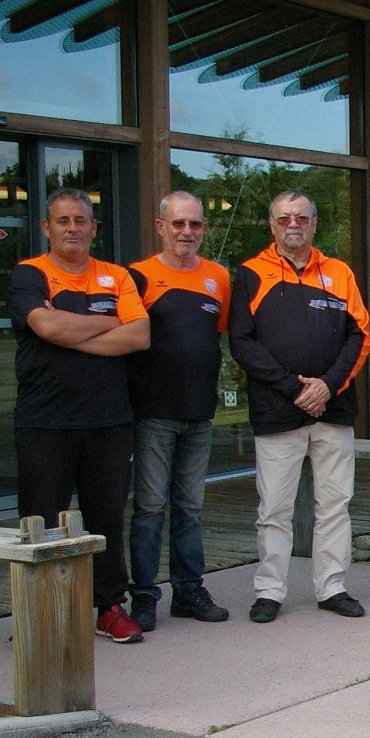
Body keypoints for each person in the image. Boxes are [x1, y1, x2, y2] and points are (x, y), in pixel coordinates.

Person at [9, 187, 151, 643]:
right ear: (46, 228)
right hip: (44, 420)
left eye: (81, 220)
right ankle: (39, 615)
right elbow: (45, 325)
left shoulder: (117, 276)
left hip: (109, 420)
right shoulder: (30, 274)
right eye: (63, 220)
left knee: (106, 518)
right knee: (41, 521)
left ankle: (109, 607)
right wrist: (112, 321)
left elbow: (141, 336)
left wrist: (71, 332)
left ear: (93, 227)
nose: (72, 228)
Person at [230, 190, 370, 623]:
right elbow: (242, 342)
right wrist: (295, 389)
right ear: (272, 225)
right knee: (273, 507)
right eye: (284, 218)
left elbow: (359, 335)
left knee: (335, 503)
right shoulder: (251, 274)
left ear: (314, 224)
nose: (294, 225)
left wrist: (327, 386)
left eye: (302, 218)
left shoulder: (339, 272)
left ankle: (332, 586)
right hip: (278, 411)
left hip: (333, 409)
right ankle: (270, 591)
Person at [126, 190, 231, 631]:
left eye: (195, 225)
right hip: (153, 412)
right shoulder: (137, 277)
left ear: (204, 229)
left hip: (198, 412)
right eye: (178, 224)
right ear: (160, 226)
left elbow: (217, 334)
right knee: (150, 507)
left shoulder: (218, 277)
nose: (187, 232)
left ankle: (188, 591)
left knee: (190, 507)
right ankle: (145, 596)